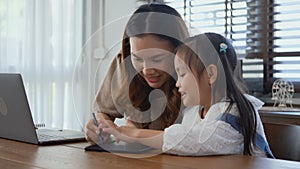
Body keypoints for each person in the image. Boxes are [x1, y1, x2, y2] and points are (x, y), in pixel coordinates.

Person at [101, 33, 274, 157]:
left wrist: (134, 134)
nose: (177, 83)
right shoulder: (193, 112)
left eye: (182, 74)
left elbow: (194, 141)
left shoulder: (235, 111)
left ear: (211, 75)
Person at [85, 3, 189, 144]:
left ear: (178, 50)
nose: (147, 70)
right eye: (138, 58)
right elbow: (103, 112)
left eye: (157, 59)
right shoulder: (124, 63)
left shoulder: (196, 72)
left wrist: (136, 134)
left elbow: (197, 139)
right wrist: (99, 127)